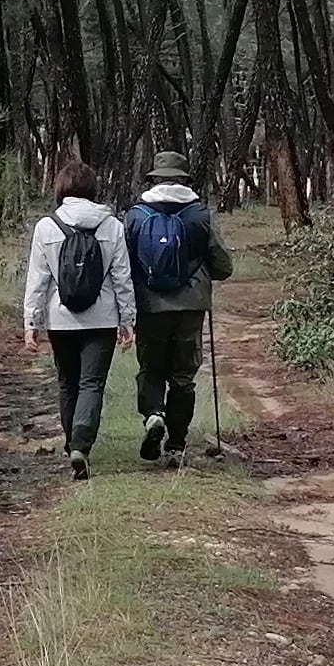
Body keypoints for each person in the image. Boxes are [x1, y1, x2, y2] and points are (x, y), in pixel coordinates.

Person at [20, 162, 133, 478]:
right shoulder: (112, 226)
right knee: (92, 383)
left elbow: (38, 280)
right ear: (93, 190)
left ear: (60, 189)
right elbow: (122, 277)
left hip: (60, 320)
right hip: (102, 319)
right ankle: (82, 444)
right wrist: (128, 319)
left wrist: (32, 323)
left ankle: (72, 443)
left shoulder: (47, 227)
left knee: (67, 382)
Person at [125, 151, 234, 466]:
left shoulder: (135, 215)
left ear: (155, 178)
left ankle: (153, 415)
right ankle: (175, 445)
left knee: (151, 368)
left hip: (149, 306)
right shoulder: (200, 214)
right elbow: (223, 266)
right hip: (190, 306)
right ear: (185, 178)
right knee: (183, 376)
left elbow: (125, 262)